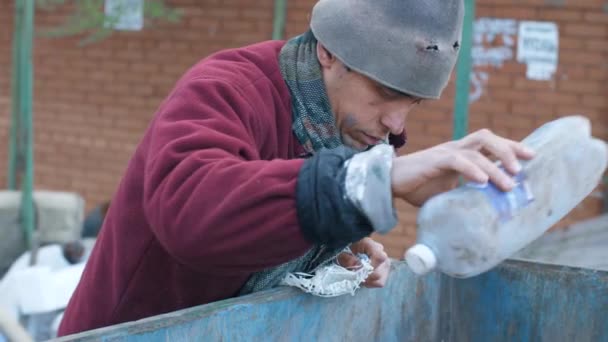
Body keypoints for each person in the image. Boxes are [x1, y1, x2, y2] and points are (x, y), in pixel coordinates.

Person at [58, 0, 534, 335]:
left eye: (411, 103)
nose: (394, 123)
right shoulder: (226, 87)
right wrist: (374, 181)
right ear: (328, 53)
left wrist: (327, 247)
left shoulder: (346, 125)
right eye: (385, 93)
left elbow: (295, 191)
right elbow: (190, 212)